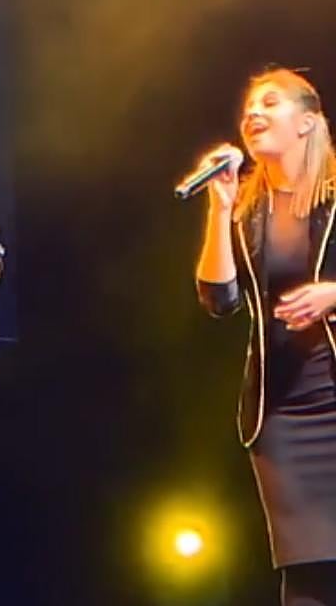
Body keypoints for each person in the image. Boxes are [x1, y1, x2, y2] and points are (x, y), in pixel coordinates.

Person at [196, 68, 336, 606]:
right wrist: (220, 208)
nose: (252, 113)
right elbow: (219, 299)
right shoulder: (248, 212)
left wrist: (333, 293)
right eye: (249, 107)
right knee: (306, 573)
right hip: (282, 414)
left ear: (307, 122)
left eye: (270, 103)